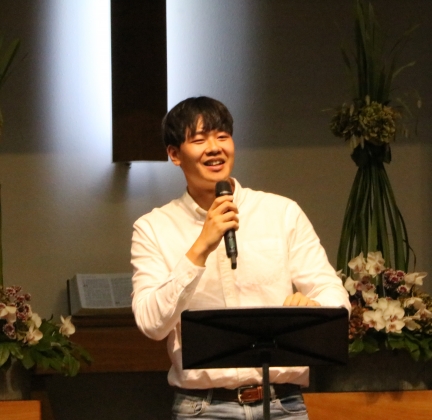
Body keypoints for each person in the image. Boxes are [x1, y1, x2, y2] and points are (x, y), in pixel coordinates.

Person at [131, 96, 350, 420]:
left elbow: (335, 296)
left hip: (283, 404)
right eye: (199, 140)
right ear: (174, 154)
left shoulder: (281, 212)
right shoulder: (153, 228)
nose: (214, 148)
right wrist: (200, 247)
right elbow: (151, 323)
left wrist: (314, 308)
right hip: (203, 408)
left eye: (222, 136)